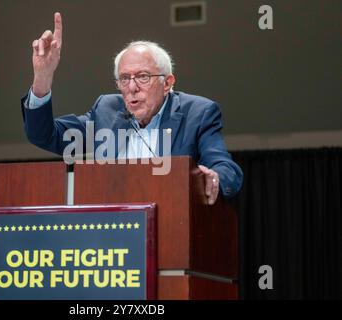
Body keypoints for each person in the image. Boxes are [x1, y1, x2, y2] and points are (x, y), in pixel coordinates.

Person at [21, 12, 243, 205]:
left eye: (143, 77)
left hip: (170, 224)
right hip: (113, 231)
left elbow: (227, 170)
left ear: (167, 83)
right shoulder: (106, 110)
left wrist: (213, 178)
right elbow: (44, 134)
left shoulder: (198, 113)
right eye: (124, 78)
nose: (132, 87)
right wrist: (43, 76)